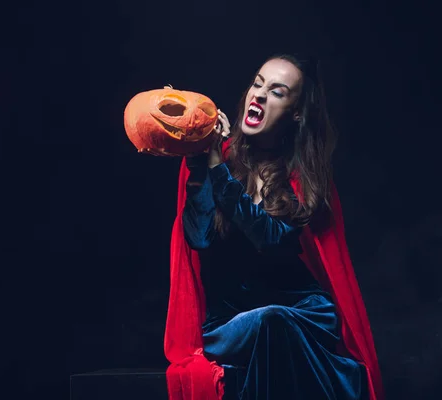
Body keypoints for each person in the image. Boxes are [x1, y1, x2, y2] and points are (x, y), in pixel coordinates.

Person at [163, 54, 384, 400]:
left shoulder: (300, 176)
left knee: (277, 322)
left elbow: (270, 239)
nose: (260, 95)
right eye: (258, 83)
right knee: (269, 322)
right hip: (231, 322)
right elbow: (199, 238)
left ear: (295, 113)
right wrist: (200, 164)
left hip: (303, 313)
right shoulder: (211, 156)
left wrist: (218, 171)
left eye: (277, 92)